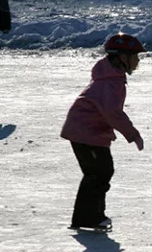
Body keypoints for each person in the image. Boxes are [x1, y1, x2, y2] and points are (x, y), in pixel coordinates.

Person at [61, 33, 146, 232]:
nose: (138, 61)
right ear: (121, 58)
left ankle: (92, 216)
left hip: (91, 133)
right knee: (98, 173)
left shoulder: (112, 78)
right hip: (85, 133)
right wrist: (132, 134)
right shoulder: (111, 82)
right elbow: (112, 113)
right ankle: (87, 217)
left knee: (100, 172)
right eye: (135, 56)